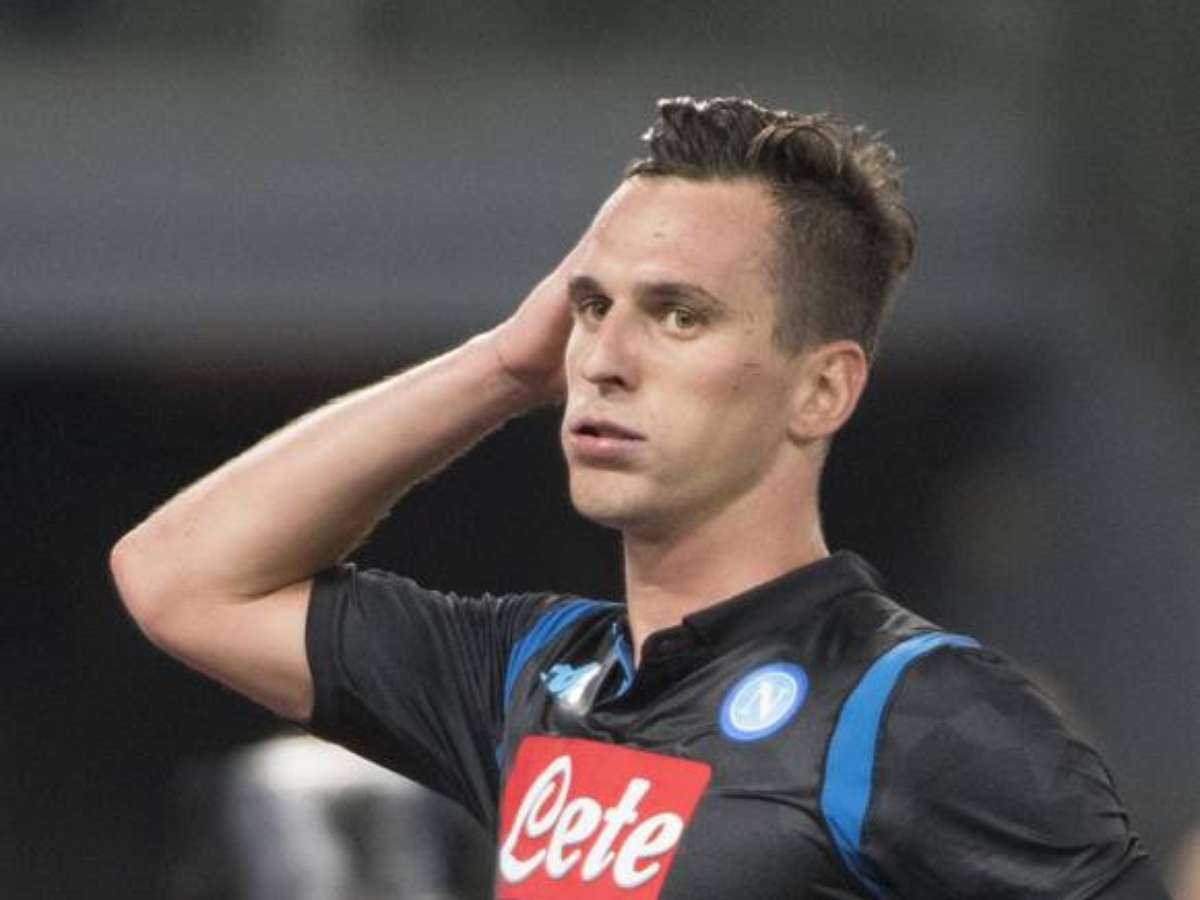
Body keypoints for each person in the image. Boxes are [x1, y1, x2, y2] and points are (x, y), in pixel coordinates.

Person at [110, 96, 1167, 898]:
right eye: (589, 306)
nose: (604, 358)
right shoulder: (525, 678)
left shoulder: (918, 713)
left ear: (823, 389)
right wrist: (502, 365)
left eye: (679, 315)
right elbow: (179, 580)